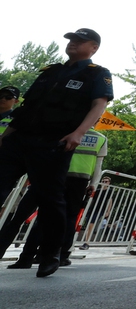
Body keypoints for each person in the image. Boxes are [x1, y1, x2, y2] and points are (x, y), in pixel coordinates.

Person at [0, 28, 113, 278]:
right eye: (71, 40)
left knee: (51, 201)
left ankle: (51, 253)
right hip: (20, 139)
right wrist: (5, 137)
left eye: (79, 41)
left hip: (54, 143)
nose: (72, 43)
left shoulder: (97, 74)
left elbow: (99, 104)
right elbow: (27, 108)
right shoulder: (51, 72)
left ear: (93, 47)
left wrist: (79, 133)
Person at [5, 127, 108, 268]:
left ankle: (28, 257)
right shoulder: (100, 138)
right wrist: (94, 184)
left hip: (53, 175)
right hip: (79, 181)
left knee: (42, 217)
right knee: (70, 218)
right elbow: (98, 165)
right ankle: (62, 256)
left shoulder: (62, 130)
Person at [79, 175, 114, 248]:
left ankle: (87, 242)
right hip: (92, 209)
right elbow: (92, 200)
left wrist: (108, 211)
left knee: (91, 224)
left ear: (109, 183)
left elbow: (110, 201)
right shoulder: (97, 191)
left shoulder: (109, 191)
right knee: (89, 224)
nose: (104, 183)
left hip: (101, 209)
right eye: (103, 181)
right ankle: (86, 241)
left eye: (106, 182)